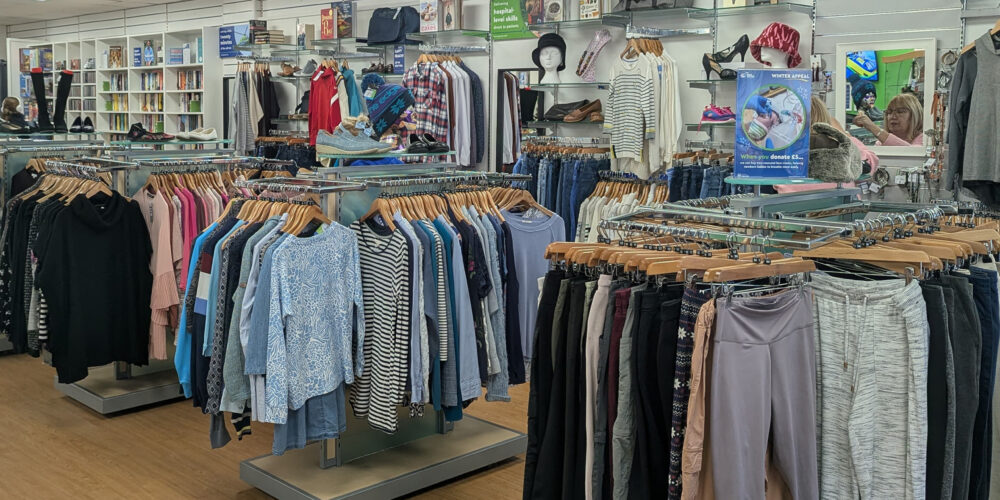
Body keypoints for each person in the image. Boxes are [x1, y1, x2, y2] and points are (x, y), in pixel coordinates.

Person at [774, 96, 878, 193]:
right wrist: (843, 135)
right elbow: (870, 164)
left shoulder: (783, 153)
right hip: (842, 210)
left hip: (792, 210)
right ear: (826, 121)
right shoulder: (839, 153)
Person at [852, 93, 923, 146]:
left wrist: (873, 128)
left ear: (914, 115)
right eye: (889, 112)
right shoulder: (880, 143)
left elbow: (910, 153)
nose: (893, 116)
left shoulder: (924, 139)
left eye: (900, 111)